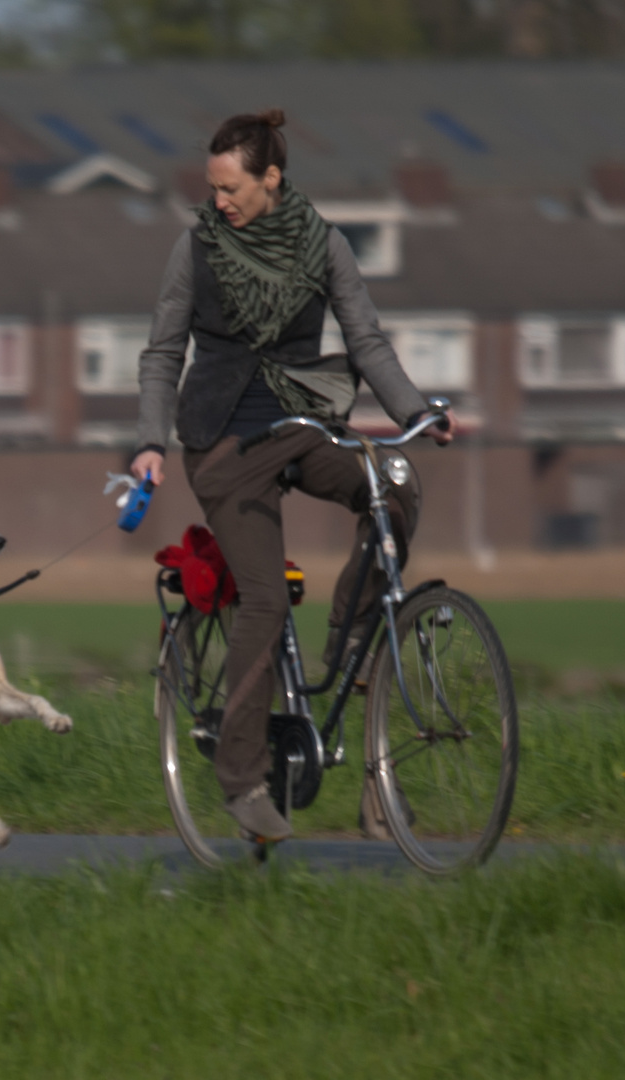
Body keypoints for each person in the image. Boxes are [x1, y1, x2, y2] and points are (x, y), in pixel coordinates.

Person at [130, 109, 452, 843]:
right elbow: (161, 353)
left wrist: (415, 410)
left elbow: (364, 339)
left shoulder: (323, 244)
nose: (219, 201)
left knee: (395, 484)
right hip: (223, 446)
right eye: (211, 188)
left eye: (230, 187)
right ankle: (241, 780)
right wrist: (149, 440)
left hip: (303, 426)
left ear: (270, 178)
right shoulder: (197, 250)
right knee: (265, 599)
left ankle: (350, 640)